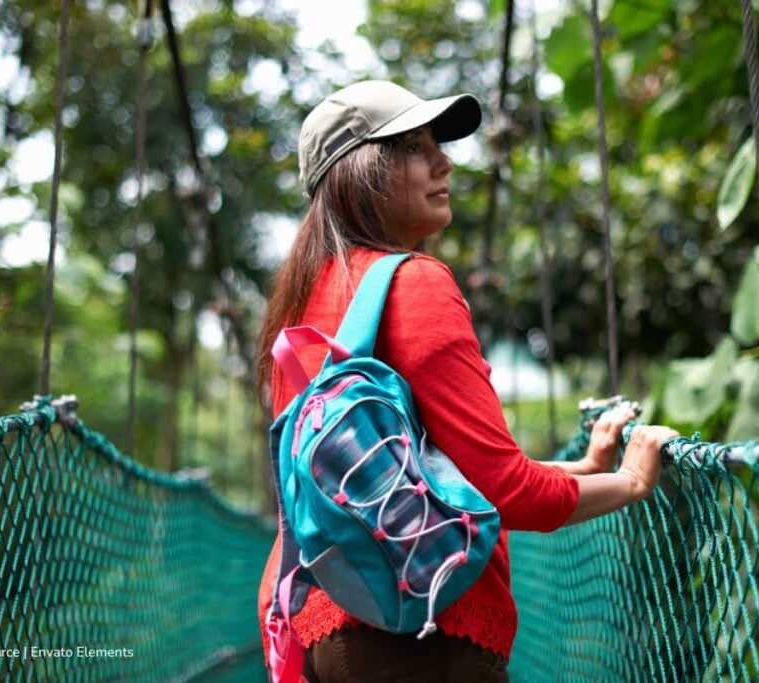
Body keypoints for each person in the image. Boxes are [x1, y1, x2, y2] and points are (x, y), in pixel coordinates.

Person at [256, 81, 679, 682]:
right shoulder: (415, 283)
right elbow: (508, 494)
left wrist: (585, 471)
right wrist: (632, 482)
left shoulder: (298, 309)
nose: (444, 161)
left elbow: (423, 484)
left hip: (320, 629)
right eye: (413, 148)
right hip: (425, 641)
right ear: (362, 172)